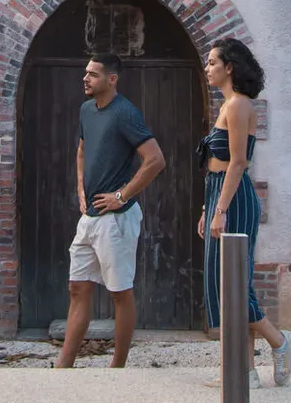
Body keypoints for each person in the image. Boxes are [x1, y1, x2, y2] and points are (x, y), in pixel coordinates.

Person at [56, 52, 167, 369]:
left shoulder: (125, 113)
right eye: (85, 72)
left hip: (117, 220)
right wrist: (80, 189)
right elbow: (81, 150)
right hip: (88, 218)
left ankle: (117, 369)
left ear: (111, 79)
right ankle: (63, 367)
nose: (85, 78)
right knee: (77, 289)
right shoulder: (86, 110)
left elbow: (156, 159)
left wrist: (122, 195)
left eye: (92, 74)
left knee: (120, 293)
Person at [199, 38, 291, 387]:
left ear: (230, 67)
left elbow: (238, 162)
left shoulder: (239, 106)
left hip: (235, 199)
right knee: (229, 283)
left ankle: (279, 341)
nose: (207, 68)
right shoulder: (226, 107)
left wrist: (221, 209)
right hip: (221, 195)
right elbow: (216, 164)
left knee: (232, 284)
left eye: (212, 62)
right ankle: (244, 371)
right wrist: (208, 207)